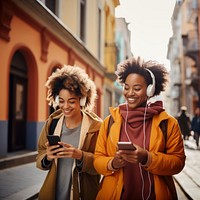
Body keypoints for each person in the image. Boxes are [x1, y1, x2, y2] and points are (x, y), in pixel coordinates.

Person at [94, 56, 186, 200]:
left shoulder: (167, 123)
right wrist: (112, 163)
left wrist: (147, 157)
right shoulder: (110, 121)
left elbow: (178, 163)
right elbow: (97, 160)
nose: (130, 93)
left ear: (150, 90)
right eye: (126, 87)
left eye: (137, 88)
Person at [36, 65, 102, 200]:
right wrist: (47, 157)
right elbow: (40, 154)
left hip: (84, 194)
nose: (65, 106)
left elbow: (102, 165)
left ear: (82, 100)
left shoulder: (96, 127)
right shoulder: (52, 123)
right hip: (54, 193)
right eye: (61, 101)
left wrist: (80, 155)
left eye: (71, 101)